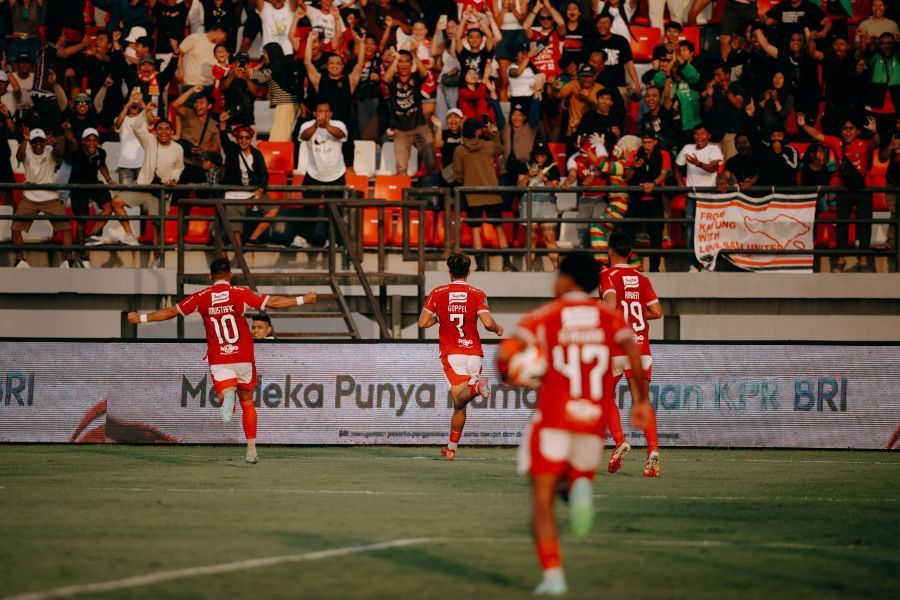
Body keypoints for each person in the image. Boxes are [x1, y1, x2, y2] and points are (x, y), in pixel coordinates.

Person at [497, 251, 649, 596]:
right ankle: (579, 483)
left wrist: (512, 374)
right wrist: (640, 401)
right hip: (592, 424)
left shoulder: (546, 315)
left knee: (541, 498)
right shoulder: (609, 317)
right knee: (576, 471)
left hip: (553, 420)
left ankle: (553, 576)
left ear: (565, 280)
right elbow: (632, 350)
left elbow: (506, 354)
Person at [128, 258, 318, 463]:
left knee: (227, 398)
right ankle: (251, 450)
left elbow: (171, 312)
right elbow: (271, 302)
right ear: (230, 275)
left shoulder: (201, 296)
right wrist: (302, 300)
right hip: (243, 356)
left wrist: (142, 319)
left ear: (210, 276)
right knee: (248, 402)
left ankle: (227, 395)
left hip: (219, 358)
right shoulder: (240, 292)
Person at [418, 252, 503, 461]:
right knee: (460, 404)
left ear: (449, 272)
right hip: (474, 354)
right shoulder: (478, 293)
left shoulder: (438, 292)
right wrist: (498, 329)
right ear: (469, 272)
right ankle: (451, 448)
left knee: (458, 396)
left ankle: (476, 388)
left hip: (452, 353)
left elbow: (422, 323)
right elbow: (488, 323)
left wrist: (439, 318)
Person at [601, 231, 664, 477]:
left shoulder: (607, 275)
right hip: (642, 349)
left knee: (604, 396)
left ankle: (620, 441)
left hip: (618, 348)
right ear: (631, 253)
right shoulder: (641, 278)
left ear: (610, 250)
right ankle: (653, 450)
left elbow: (609, 304)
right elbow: (657, 312)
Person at [799, 113, 880, 272]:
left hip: (863, 190)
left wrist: (874, 131)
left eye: (851, 129)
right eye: (845, 129)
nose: (848, 132)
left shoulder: (864, 144)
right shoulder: (837, 143)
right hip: (844, 190)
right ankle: (841, 259)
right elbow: (817, 135)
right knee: (842, 225)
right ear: (841, 131)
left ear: (857, 131)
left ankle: (863, 260)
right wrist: (802, 125)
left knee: (864, 225)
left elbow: (876, 144)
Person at [453, 117, 516, 272]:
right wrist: (494, 134)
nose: (482, 130)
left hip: (471, 194)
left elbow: (457, 175)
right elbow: (500, 149)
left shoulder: (459, 150)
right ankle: (506, 263)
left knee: (476, 229)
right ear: (476, 131)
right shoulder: (488, 146)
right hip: (492, 193)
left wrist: (468, 180)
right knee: (498, 227)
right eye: (480, 129)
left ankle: (480, 266)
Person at [11, 127, 72, 268]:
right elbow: (19, 157)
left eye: (41, 141)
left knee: (66, 228)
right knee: (15, 227)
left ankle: (69, 261)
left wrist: (55, 144)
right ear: (31, 142)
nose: (38, 144)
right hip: (29, 197)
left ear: (45, 142)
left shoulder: (51, 150)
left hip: (50, 197)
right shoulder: (25, 149)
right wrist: (24, 141)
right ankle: (20, 261)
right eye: (34, 141)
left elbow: (58, 155)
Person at [293, 101, 348, 248]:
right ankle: (303, 238)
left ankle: (333, 239)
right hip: (314, 173)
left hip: (335, 174)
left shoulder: (339, 124)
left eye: (326, 111)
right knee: (309, 208)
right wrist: (317, 126)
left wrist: (326, 126)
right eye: (320, 111)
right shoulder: (307, 125)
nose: (323, 114)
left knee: (335, 210)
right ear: (315, 114)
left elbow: (341, 135)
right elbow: (304, 137)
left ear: (330, 114)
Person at [675, 124, 723, 271]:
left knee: (708, 232)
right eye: (696, 134)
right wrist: (681, 184)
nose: (699, 137)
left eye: (702, 134)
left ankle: (707, 265)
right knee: (690, 231)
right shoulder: (687, 148)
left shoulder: (714, 149)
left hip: (709, 198)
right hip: (692, 197)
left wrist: (698, 163)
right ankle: (693, 264)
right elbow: (676, 167)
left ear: (708, 135)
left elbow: (714, 167)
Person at [623, 130, 670, 272]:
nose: (646, 145)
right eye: (644, 142)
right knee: (629, 234)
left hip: (655, 201)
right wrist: (633, 167)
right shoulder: (633, 155)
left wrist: (653, 184)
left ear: (655, 142)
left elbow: (664, 173)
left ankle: (654, 269)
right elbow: (627, 178)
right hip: (636, 200)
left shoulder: (664, 154)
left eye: (649, 142)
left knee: (656, 236)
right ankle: (627, 267)